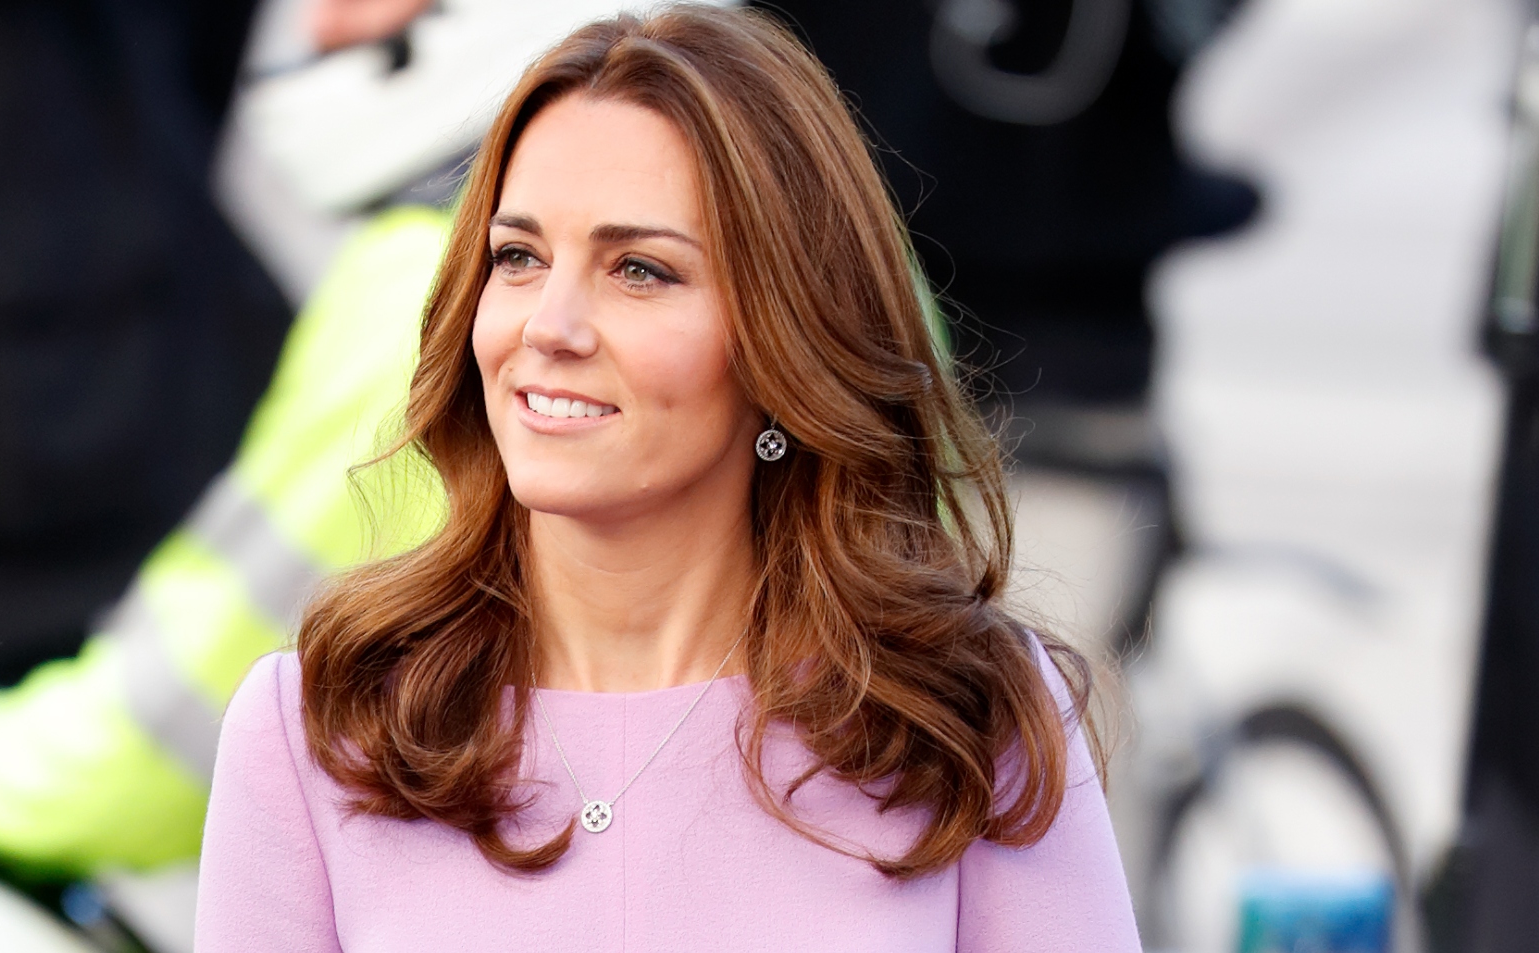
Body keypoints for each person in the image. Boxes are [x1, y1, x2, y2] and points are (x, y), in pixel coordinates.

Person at [195, 6, 1141, 951]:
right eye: (517, 257)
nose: (548, 325)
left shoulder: (967, 718)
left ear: (784, 339)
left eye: (639, 270)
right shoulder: (321, 727)